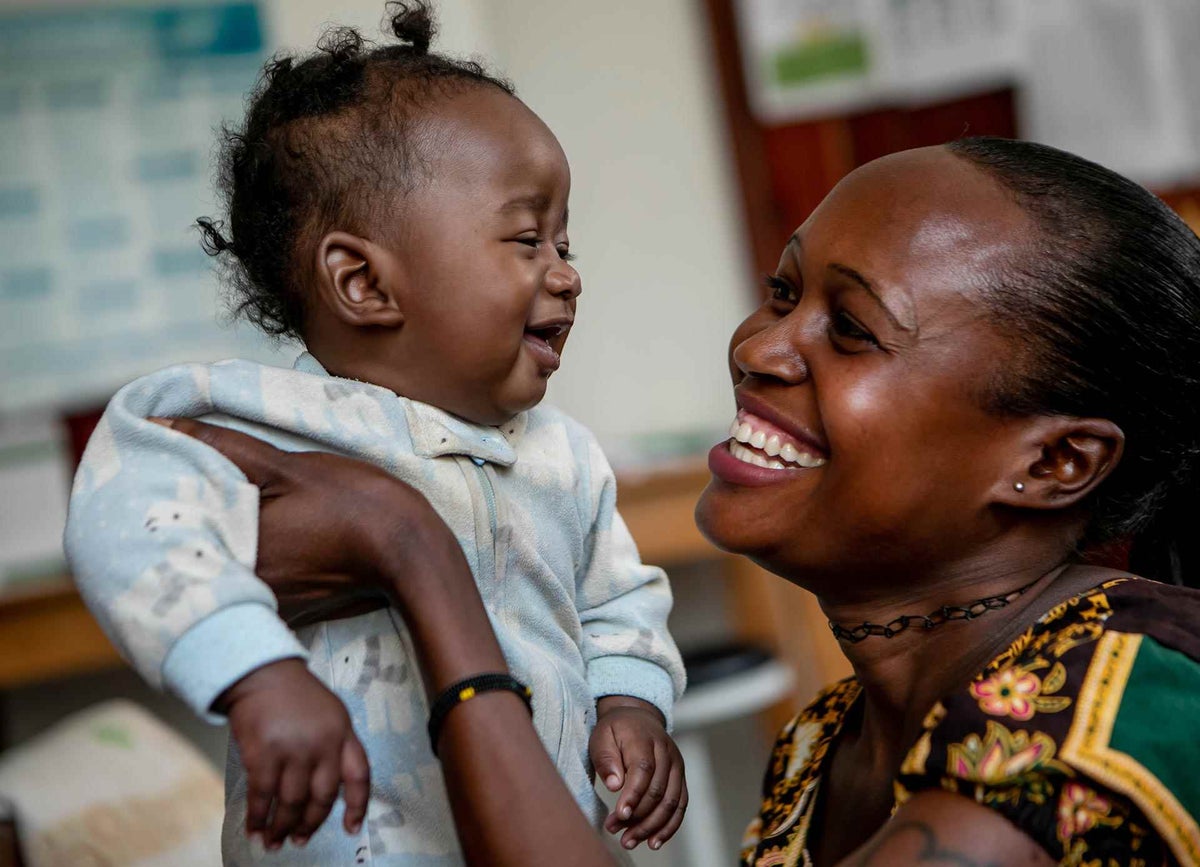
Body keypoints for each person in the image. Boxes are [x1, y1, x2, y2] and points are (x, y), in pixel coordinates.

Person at [157, 136, 1200, 866]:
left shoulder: (1134, 704)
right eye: (784, 291)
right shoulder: (824, 745)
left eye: (851, 329)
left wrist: (417, 554)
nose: (756, 345)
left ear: (1056, 463)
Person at [63, 4, 687, 864]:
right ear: (362, 281)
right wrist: (257, 673)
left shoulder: (563, 456)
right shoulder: (258, 419)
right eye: (527, 239)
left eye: (566, 240)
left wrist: (630, 703)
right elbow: (128, 520)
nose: (568, 272)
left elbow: (618, 602)